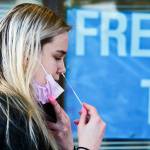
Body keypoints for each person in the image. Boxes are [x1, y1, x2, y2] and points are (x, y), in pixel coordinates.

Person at [0, 3, 106, 150]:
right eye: (57, 57)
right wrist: (88, 148)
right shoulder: (10, 119)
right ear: (26, 54)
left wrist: (67, 145)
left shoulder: (25, 113)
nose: (62, 69)